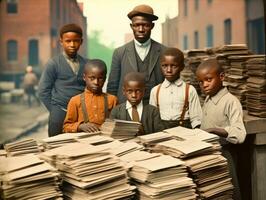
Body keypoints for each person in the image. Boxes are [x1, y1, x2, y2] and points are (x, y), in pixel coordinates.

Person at [196, 58, 246, 200]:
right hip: (209, 153)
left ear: (222, 77)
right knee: (213, 191)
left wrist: (214, 130)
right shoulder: (208, 98)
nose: (204, 85)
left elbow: (240, 133)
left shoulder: (231, 101)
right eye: (200, 82)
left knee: (228, 190)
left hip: (225, 154)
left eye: (208, 79)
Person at [107, 4, 167, 104]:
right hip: (127, 111)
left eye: (145, 25)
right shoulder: (119, 53)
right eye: (137, 25)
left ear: (152, 26)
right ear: (131, 26)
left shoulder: (164, 52)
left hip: (156, 108)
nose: (141, 29)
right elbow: (112, 86)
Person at [38, 23, 87, 137]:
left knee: (80, 145)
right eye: (68, 41)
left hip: (81, 114)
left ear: (81, 42)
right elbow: (43, 91)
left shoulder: (87, 64)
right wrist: (55, 110)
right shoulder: (54, 63)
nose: (72, 44)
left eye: (76, 41)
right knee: (56, 144)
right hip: (60, 112)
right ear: (61, 42)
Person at [149, 48, 202, 129]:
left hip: (184, 130)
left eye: (174, 66)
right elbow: (152, 119)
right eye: (165, 66)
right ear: (160, 66)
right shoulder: (155, 91)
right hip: (162, 131)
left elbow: (196, 119)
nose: (169, 70)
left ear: (182, 67)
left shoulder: (189, 90)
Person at [63, 59, 118, 133]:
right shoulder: (75, 101)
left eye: (100, 78)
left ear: (105, 79)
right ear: (84, 77)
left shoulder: (112, 100)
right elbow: (66, 127)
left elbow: (118, 124)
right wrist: (80, 126)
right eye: (92, 78)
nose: (96, 82)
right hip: (83, 141)